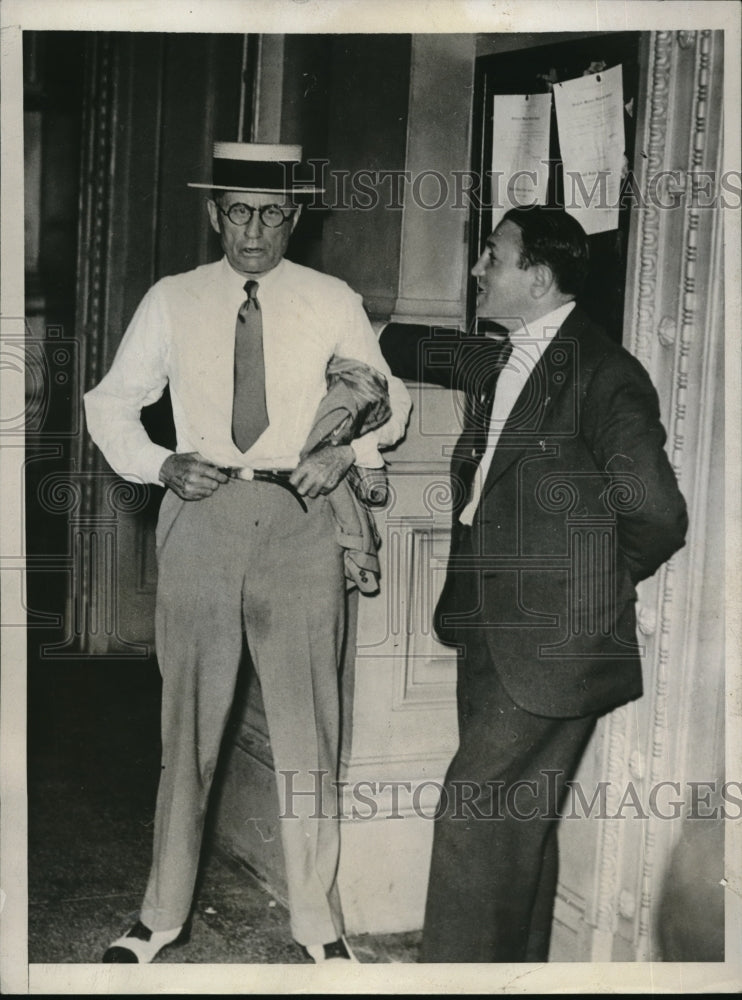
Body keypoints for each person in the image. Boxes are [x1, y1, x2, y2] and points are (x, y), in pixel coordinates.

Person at [84, 141, 411, 964]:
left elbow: (390, 400)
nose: (254, 230)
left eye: (271, 214)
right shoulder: (173, 298)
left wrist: (343, 453)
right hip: (203, 516)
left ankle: (317, 924)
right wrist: (160, 463)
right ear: (214, 214)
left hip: (301, 522)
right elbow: (110, 403)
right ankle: (160, 917)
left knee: (309, 730)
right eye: (238, 212)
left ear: (294, 217)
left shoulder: (331, 299)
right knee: (187, 727)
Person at [379, 206, 688, 963]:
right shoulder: (508, 356)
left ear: (539, 277)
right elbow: (404, 344)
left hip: (552, 639)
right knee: (512, 824)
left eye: (493, 255)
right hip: (488, 625)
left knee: (473, 818)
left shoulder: (606, 373)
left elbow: (656, 513)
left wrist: (585, 589)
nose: (477, 269)